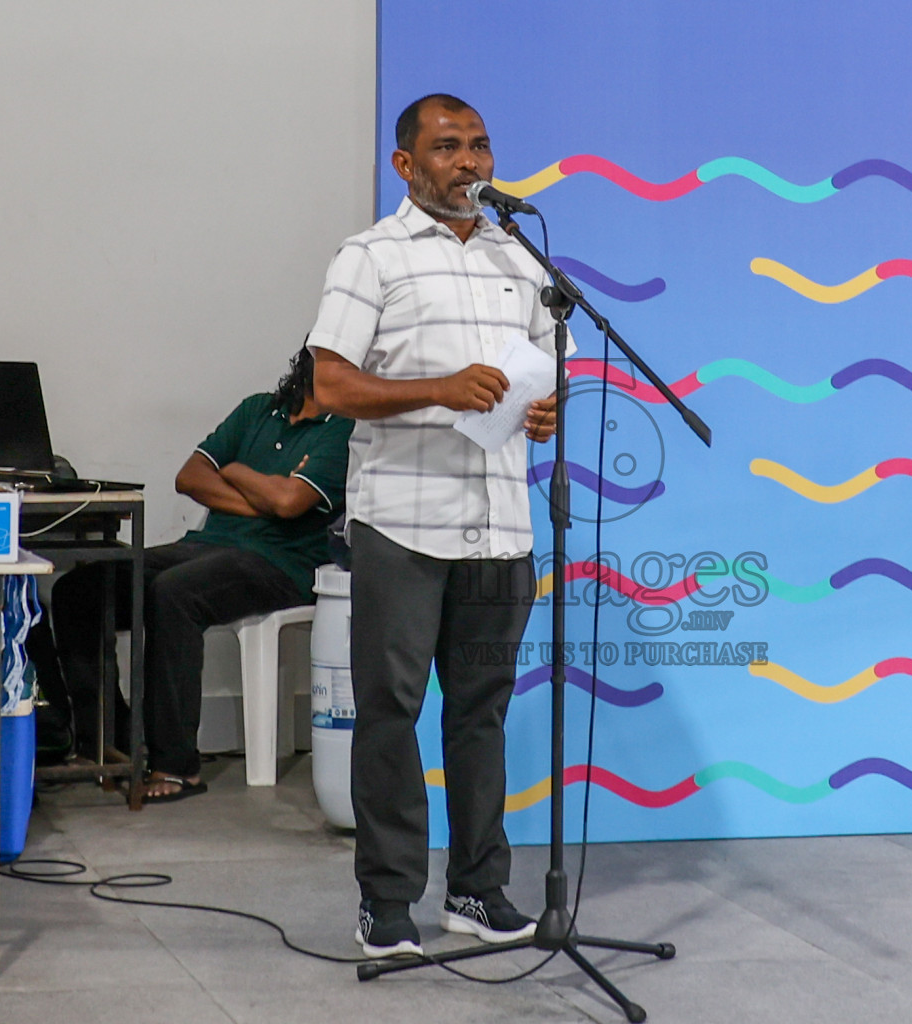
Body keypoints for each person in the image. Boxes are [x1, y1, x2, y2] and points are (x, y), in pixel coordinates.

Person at [307, 93, 563, 958]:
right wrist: (439, 388)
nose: (470, 161)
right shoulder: (370, 257)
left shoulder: (519, 255)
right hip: (405, 524)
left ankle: (478, 890)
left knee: (481, 712)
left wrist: (542, 412)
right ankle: (386, 902)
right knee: (391, 712)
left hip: (501, 525)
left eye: (480, 146)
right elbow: (331, 388)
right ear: (406, 165)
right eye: (447, 147)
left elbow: (533, 371)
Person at [48, 347, 354, 803]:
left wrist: (233, 473)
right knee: (80, 589)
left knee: (175, 593)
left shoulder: (345, 429)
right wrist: (261, 495)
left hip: (281, 563)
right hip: (205, 546)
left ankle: (176, 766)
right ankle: (106, 744)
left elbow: (291, 504)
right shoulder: (257, 409)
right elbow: (190, 478)